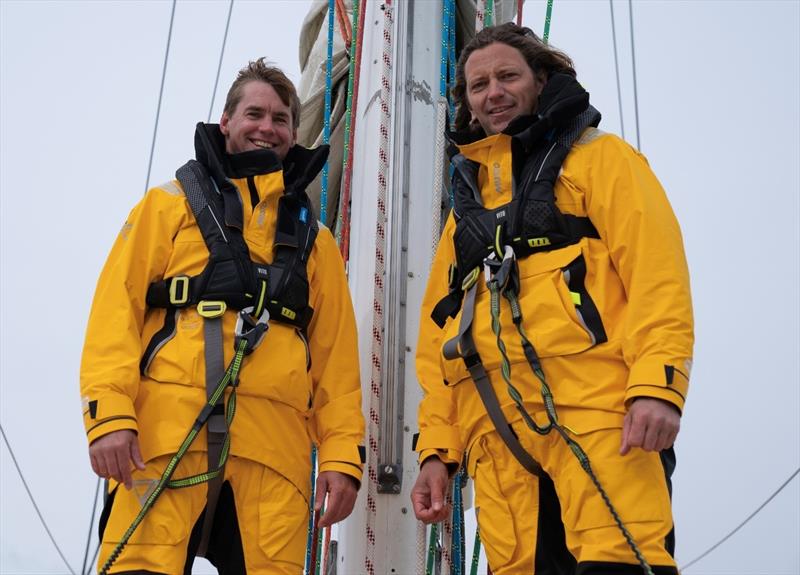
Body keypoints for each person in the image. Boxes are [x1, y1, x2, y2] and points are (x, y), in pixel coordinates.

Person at [411, 23, 693, 575]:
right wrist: (436, 453)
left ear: (540, 80)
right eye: (478, 84)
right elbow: (437, 344)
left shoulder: (600, 160)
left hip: (602, 421)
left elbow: (658, 279)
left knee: (622, 564)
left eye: (507, 76)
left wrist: (659, 387)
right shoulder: (462, 217)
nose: (492, 92)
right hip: (498, 447)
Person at [80, 58, 365, 574]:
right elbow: (114, 314)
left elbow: (337, 364)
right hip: (163, 445)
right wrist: (108, 419)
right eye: (254, 113)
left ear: (293, 132)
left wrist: (343, 457)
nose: (267, 127)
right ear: (226, 121)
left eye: (281, 118)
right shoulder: (166, 207)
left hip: (275, 462)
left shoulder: (315, 241)